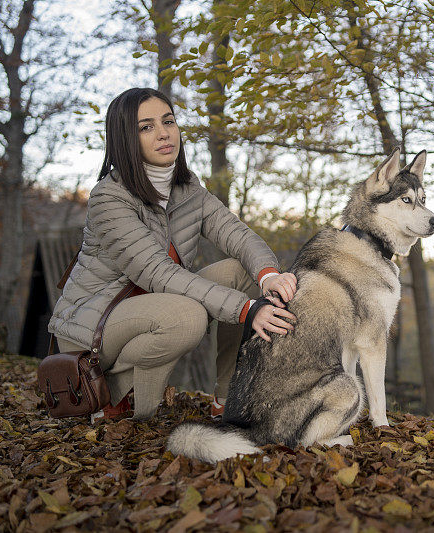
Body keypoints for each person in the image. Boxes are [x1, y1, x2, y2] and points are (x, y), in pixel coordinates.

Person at [47, 87, 297, 420]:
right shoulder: (109, 198)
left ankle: (228, 400)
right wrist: (245, 310)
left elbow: (236, 234)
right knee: (186, 317)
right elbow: (157, 272)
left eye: (168, 121)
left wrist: (270, 274)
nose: (164, 133)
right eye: (146, 127)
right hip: (94, 326)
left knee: (240, 272)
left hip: (155, 304)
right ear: (125, 139)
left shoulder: (187, 188)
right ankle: (118, 399)